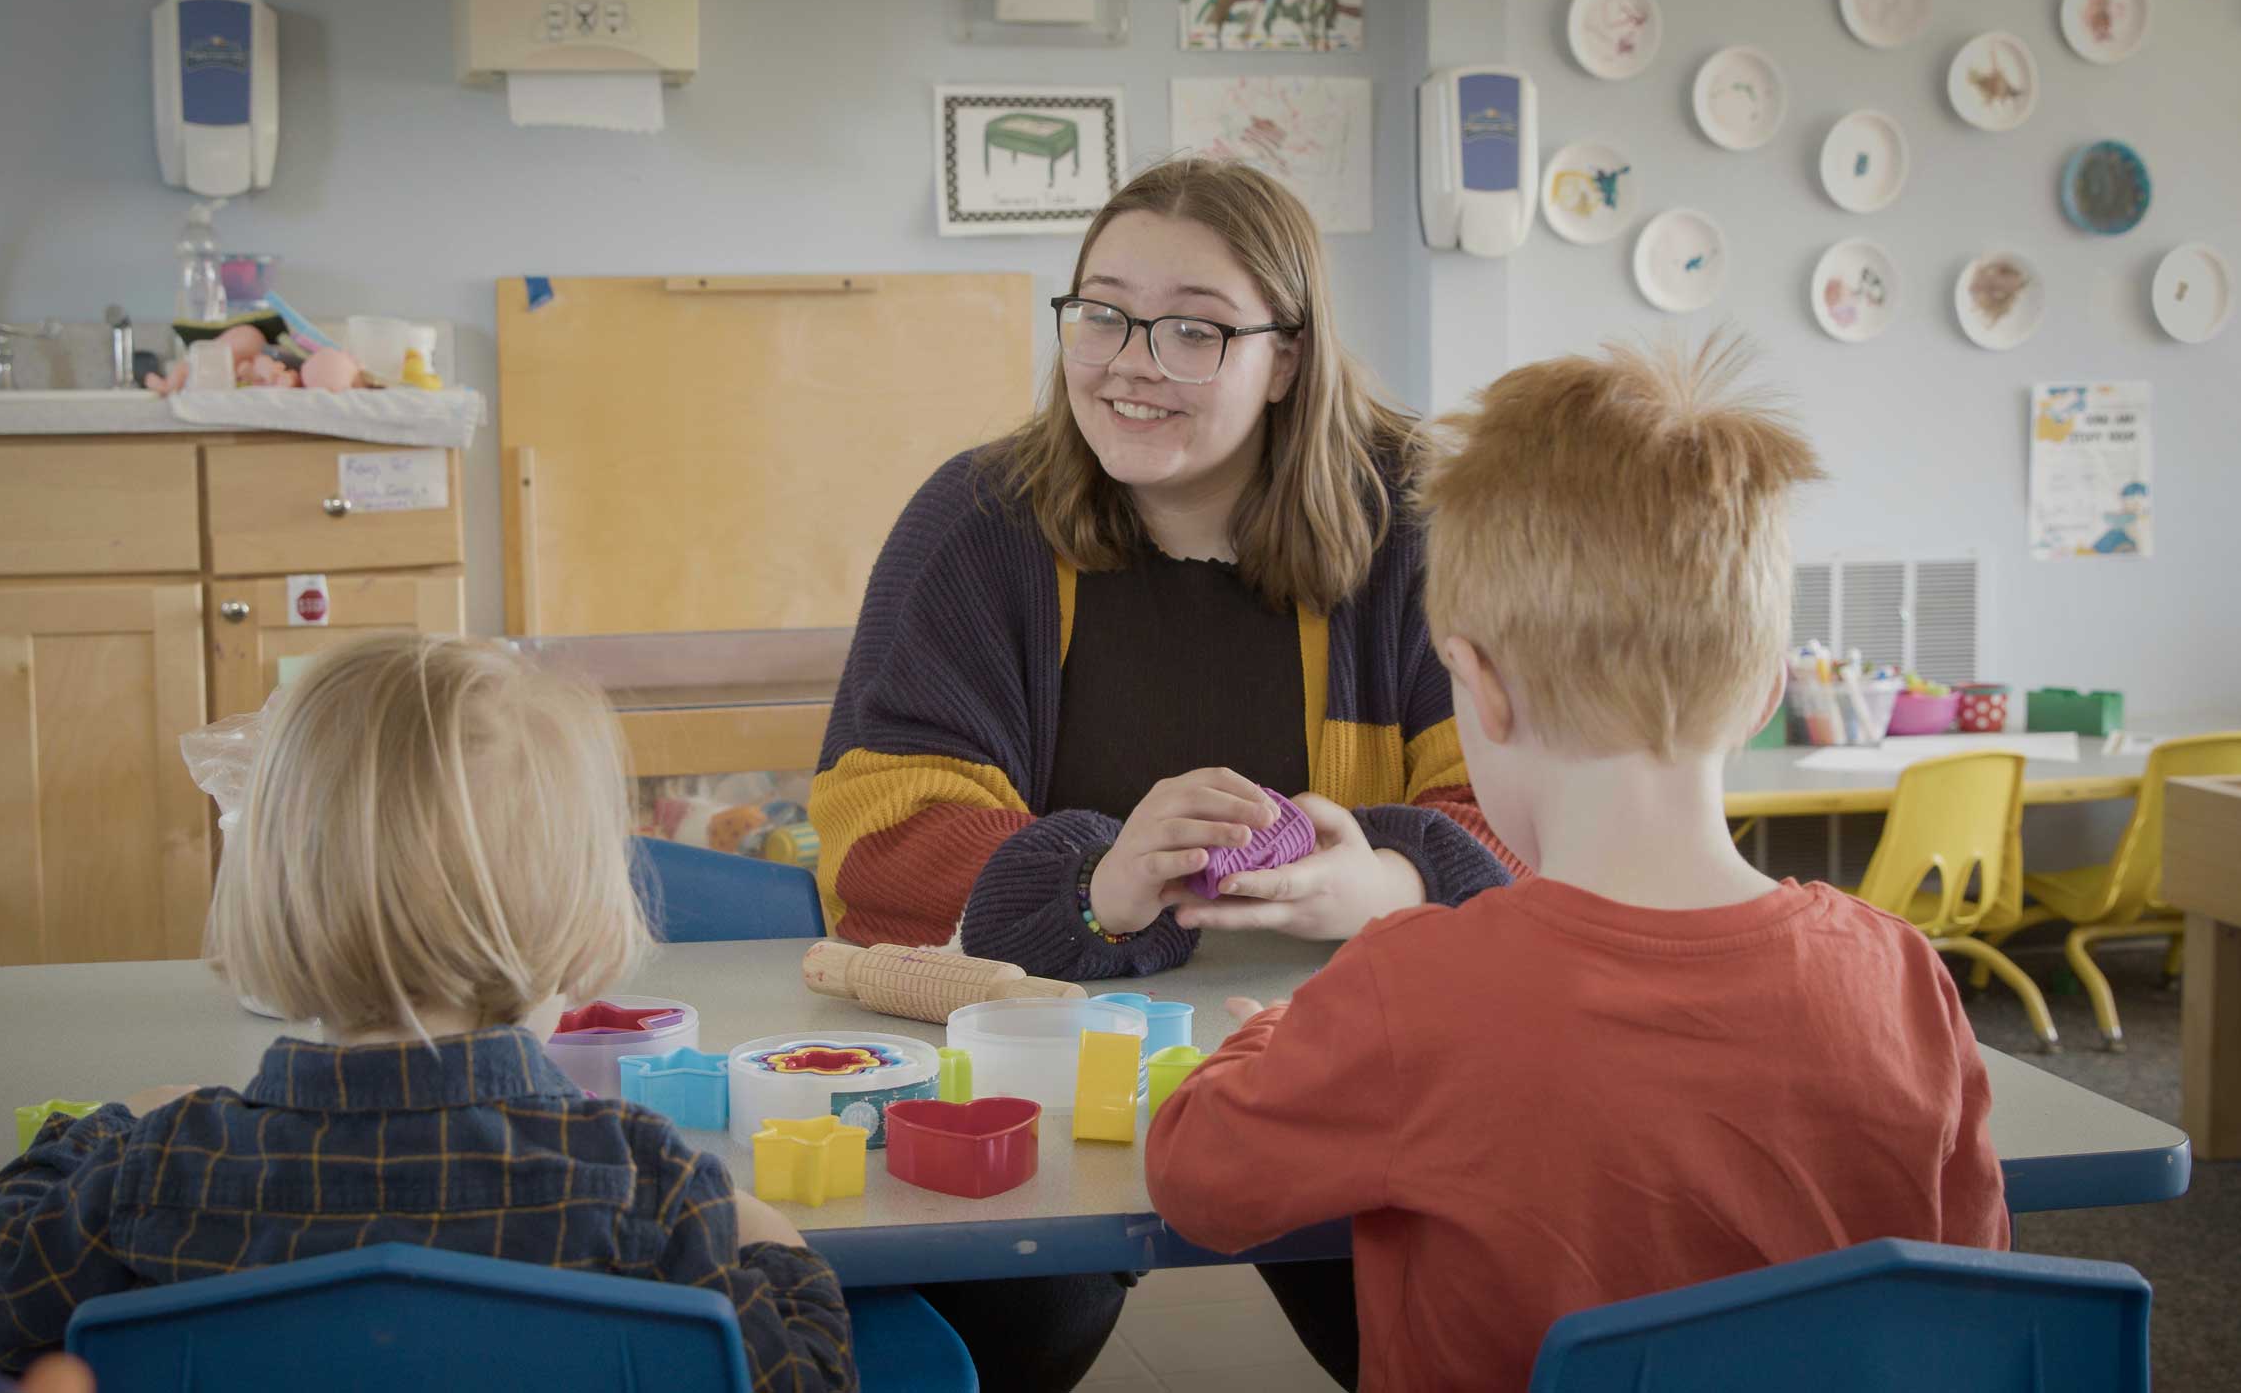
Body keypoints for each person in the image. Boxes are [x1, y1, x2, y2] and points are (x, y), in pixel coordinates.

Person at [1144, 336, 2011, 1393]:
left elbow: (1197, 1181)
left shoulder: (1409, 989)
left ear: (1479, 685)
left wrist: (1265, 1043)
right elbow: (1969, 1281)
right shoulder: (1900, 973)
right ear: (1761, 691)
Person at [808, 157, 1520, 1387]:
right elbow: (879, 831)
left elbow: (1532, 797)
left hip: (1354, 1062)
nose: (1131, 361)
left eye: (1193, 327)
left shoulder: (1417, 518)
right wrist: (1091, 883)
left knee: (1434, 1313)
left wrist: (1391, 880)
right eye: (1102, 311)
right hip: (1042, 1071)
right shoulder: (979, 520)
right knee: (1018, 1320)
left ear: (1285, 354)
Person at [0, 635, 854, 1389]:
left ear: (276, 892)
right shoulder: (646, 1187)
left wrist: (106, 1133)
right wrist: (765, 1234)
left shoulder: (159, 1172)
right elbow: (805, 1375)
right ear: (578, 916)